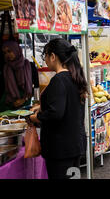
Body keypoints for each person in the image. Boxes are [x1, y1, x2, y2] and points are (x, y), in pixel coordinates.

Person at [30, 38, 87, 179]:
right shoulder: (75, 77)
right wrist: (43, 106)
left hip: (60, 149)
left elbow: (55, 113)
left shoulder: (59, 80)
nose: (45, 60)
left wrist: (36, 117)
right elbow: (68, 105)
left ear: (53, 56)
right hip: (75, 144)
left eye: (46, 56)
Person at [0, 40, 33, 112]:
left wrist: (24, 99)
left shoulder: (29, 66)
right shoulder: (5, 68)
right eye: (5, 53)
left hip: (27, 105)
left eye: (9, 51)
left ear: (16, 50)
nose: (7, 54)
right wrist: (12, 103)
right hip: (9, 106)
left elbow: (35, 88)